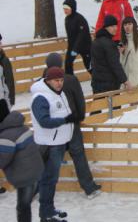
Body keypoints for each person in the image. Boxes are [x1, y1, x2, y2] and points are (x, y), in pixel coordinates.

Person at [44, 53, 101, 200]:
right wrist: (80, 116)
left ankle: (38, 188)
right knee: (78, 155)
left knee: (50, 158)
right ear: (61, 64)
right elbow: (79, 101)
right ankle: (89, 188)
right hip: (70, 124)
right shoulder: (69, 79)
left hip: (53, 126)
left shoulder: (41, 83)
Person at [31, 66, 75, 222]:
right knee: (48, 180)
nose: (59, 83)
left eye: (61, 80)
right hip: (49, 145)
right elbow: (43, 121)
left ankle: (49, 210)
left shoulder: (57, 94)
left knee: (51, 179)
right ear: (48, 81)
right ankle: (46, 214)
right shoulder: (41, 97)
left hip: (59, 142)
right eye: (56, 80)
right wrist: (64, 121)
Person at [0, 106, 44, 222]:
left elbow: (2, 159)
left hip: (25, 175)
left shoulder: (6, 135)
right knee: (25, 204)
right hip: (34, 169)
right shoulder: (20, 126)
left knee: (23, 207)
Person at [90, 14, 131, 94]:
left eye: (116, 25)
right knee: (113, 106)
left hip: (97, 83)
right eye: (112, 26)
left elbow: (102, 60)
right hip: (109, 84)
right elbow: (115, 64)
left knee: (100, 106)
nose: (115, 28)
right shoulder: (108, 43)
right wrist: (125, 81)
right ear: (106, 27)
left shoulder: (96, 41)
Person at [62, 0, 92, 76]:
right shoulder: (67, 19)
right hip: (73, 46)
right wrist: (70, 48)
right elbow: (70, 36)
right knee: (68, 64)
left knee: (89, 66)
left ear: (72, 8)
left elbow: (82, 35)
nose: (65, 11)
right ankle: (70, 82)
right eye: (64, 9)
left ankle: (98, 80)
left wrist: (75, 49)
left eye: (67, 9)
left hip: (85, 46)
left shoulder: (80, 19)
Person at [0, 34, 15, 120]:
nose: (0, 45)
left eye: (0, 42)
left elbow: (9, 81)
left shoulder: (4, 60)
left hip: (3, 102)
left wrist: (10, 100)